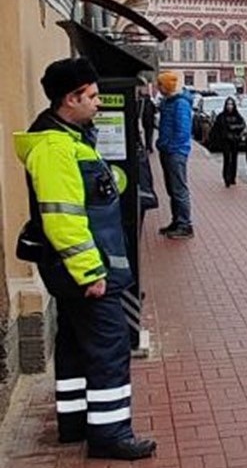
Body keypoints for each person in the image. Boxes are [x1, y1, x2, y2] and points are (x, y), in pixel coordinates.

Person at [12, 57, 157, 460]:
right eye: (91, 96)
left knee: (75, 345)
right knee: (109, 350)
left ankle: (75, 423)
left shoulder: (67, 140)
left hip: (78, 270)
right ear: (70, 99)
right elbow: (63, 221)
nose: (98, 103)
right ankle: (111, 434)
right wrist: (90, 273)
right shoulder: (57, 149)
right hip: (89, 273)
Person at [155, 71, 194, 239]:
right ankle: (177, 221)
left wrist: (169, 146)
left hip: (175, 152)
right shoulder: (169, 102)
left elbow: (183, 131)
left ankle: (185, 225)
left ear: (166, 86)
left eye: (160, 85)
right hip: (169, 150)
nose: (158, 88)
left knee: (179, 189)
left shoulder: (180, 104)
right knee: (172, 189)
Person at [210, 96, 246, 187]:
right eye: (228, 104)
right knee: (227, 158)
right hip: (225, 141)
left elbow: (242, 125)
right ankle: (226, 177)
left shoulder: (237, 116)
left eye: (231, 104)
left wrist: (235, 128)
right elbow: (216, 129)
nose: (230, 106)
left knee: (234, 159)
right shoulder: (221, 116)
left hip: (235, 141)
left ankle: (232, 177)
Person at [138, 86, 156, 153]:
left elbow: (139, 111)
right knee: (150, 134)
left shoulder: (142, 103)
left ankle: (147, 146)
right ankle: (149, 146)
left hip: (144, 120)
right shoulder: (150, 102)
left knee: (145, 134)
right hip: (150, 121)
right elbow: (155, 110)